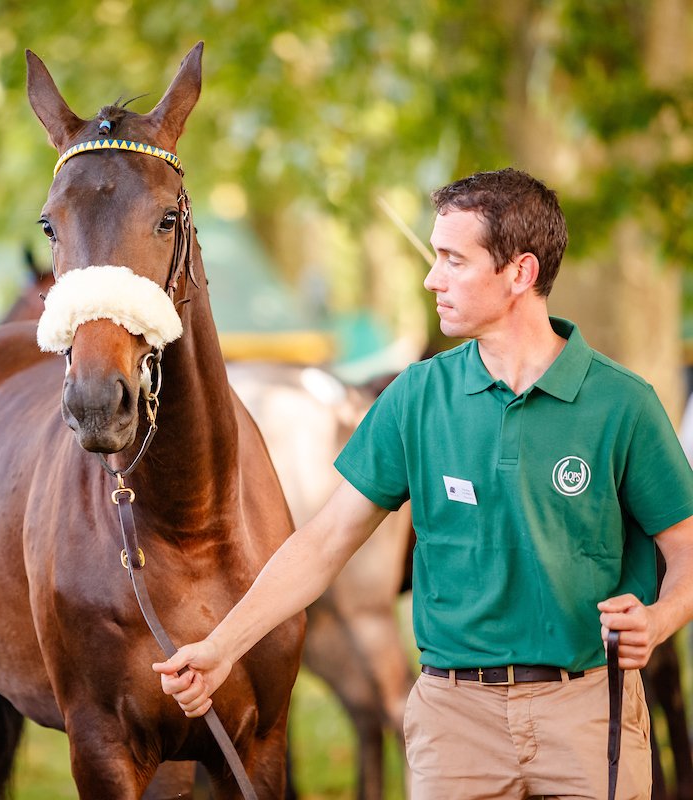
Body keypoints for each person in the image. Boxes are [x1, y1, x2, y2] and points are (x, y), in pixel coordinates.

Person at [154, 168, 693, 799]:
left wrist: (659, 619)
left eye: (453, 260)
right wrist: (222, 647)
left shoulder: (622, 404)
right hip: (453, 721)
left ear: (520, 273)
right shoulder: (417, 396)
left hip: (587, 713)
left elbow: (686, 550)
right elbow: (324, 542)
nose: (432, 278)